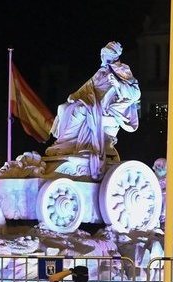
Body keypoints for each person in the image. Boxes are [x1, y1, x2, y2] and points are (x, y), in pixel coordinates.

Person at [46, 41, 141, 179]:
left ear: (113, 56)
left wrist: (118, 85)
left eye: (106, 54)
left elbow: (136, 94)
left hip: (105, 107)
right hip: (92, 101)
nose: (103, 57)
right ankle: (61, 144)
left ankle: (68, 143)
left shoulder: (123, 70)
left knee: (79, 110)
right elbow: (87, 86)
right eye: (103, 54)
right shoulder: (101, 71)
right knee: (63, 108)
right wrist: (74, 95)